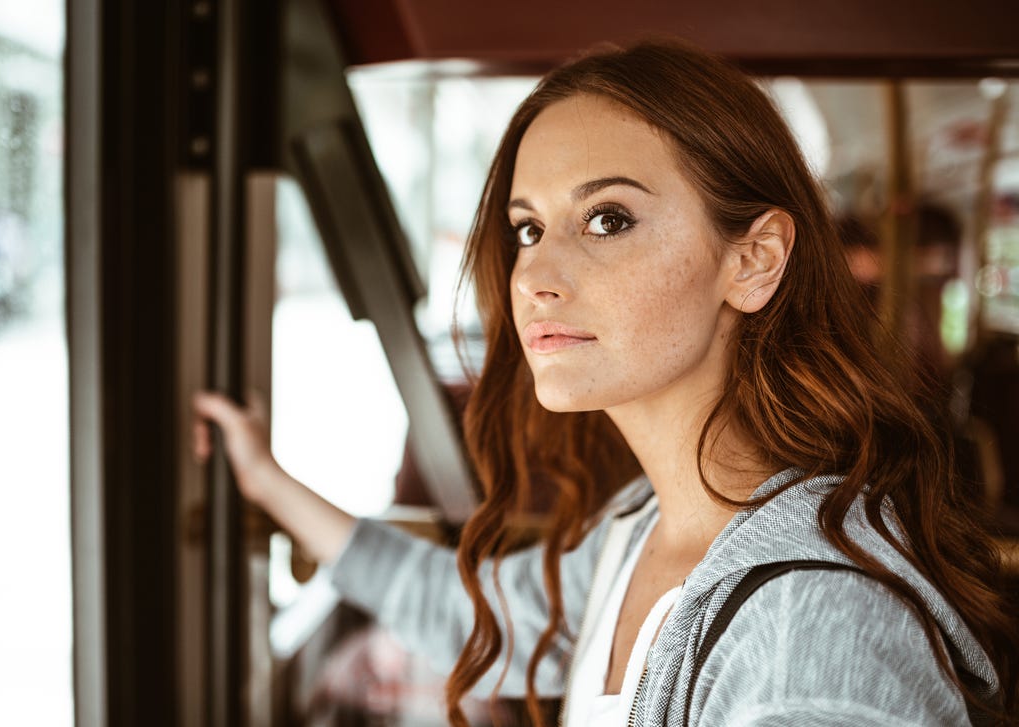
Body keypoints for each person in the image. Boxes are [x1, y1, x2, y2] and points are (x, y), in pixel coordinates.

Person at [194, 41, 1016, 726]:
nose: (535, 277)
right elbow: (464, 612)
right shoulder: (639, 530)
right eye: (527, 228)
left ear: (753, 260)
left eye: (608, 219)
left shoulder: (812, 637)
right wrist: (265, 477)